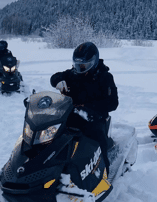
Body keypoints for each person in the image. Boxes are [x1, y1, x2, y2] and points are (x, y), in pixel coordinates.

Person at [50, 42, 118, 172]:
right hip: (70, 114)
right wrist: (58, 81)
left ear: (93, 62)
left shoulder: (105, 77)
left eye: (83, 66)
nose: (79, 68)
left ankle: (104, 170)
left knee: (96, 138)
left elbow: (113, 102)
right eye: (77, 65)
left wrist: (88, 106)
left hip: (94, 117)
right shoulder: (73, 74)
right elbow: (55, 77)